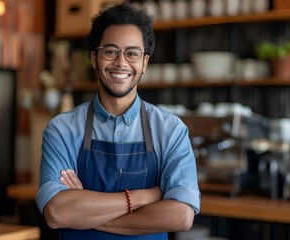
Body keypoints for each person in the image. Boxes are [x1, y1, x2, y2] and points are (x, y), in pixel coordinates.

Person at [35, 3, 201, 239]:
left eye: (132, 53)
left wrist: (84, 214)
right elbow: (56, 212)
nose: (121, 63)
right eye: (110, 51)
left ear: (144, 63)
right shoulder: (62, 130)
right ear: (94, 58)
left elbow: (181, 216)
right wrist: (145, 197)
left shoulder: (170, 130)